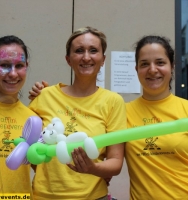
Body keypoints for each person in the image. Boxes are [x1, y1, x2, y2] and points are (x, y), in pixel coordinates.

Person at [28, 26, 126, 200]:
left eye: (93, 51)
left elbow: (116, 162)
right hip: (43, 196)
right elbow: (28, 147)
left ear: (103, 59)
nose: (86, 57)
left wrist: (92, 169)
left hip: (93, 196)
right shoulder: (45, 95)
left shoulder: (113, 101)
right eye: (79, 51)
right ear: (68, 59)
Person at [125, 35, 188, 199]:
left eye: (160, 62)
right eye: (144, 64)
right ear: (136, 69)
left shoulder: (186, 109)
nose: (152, 70)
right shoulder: (122, 112)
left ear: (172, 66)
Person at [0, 35, 36, 197]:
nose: (13, 74)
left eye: (19, 65)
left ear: (26, 67)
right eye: (5, 65)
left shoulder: (32, 119)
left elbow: (40, 167)